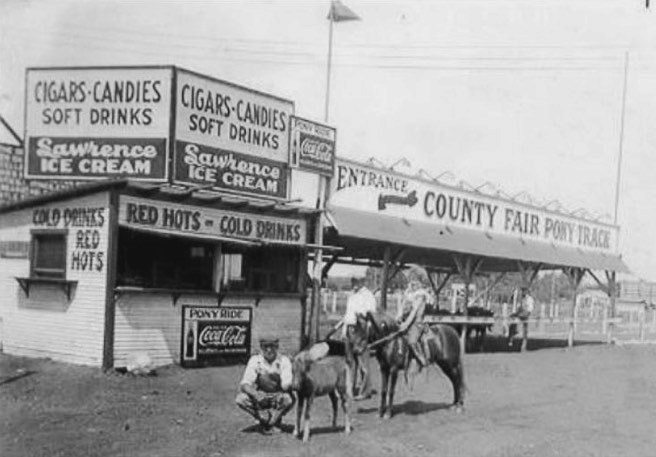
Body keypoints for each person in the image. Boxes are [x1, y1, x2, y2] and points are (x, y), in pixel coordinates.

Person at [235, 337, 295, 433]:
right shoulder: (255, 360)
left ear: (277, 347)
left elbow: (286, 384)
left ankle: (271, 422)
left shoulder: (284, 360)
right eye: (265, 346)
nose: (269, 350)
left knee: (288, 399)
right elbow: (245, 384)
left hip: (277, 396)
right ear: (261, 347)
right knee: (240, 399)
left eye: (272, 346)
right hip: (261, 396)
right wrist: (256, 394)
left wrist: (284, 389)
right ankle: (263, 418)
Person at [397, 279, 431, 369]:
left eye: (414, 284)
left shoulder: (421, 295)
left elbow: (414, 312)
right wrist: (399, 317)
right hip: (406, 320)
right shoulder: (409, 295)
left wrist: (406, 325)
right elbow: (402, 309)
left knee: (412, 341)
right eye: (411, 283)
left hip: (417, 322)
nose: (412, 285)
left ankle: (422, 359)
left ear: (419, 284)